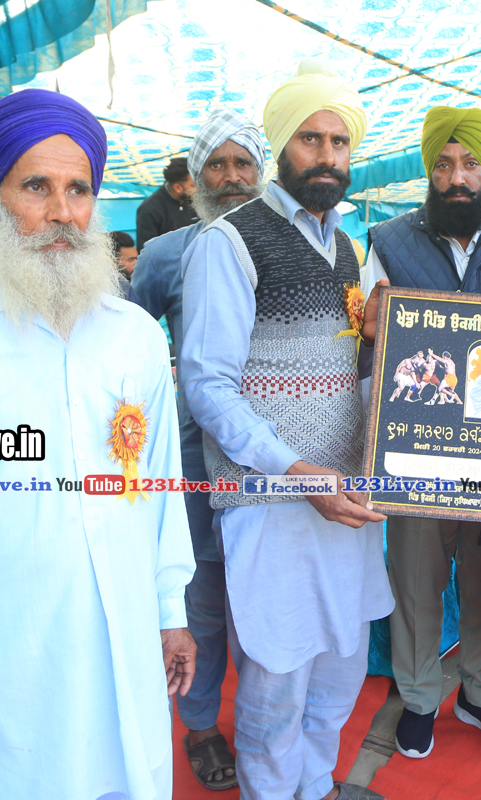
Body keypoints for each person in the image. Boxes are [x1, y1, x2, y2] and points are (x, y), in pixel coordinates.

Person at [0, 88, 196, 799]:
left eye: (78, 190)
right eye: (36, 187)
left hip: (127, 640)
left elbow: (160, 485)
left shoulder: (136, 337)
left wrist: (171, 612)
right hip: (10, 656)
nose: (61, 213)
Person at [180, 60, 391, 800]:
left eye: (339, 141)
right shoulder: (230, 241)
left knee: (339, 672)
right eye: (310, 138)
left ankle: (318, 786)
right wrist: (297, 473)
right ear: (281, 146)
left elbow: (356, 368)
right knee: (275, 684)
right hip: (272, 503)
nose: (327, 155)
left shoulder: (349, 248)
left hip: (347, 500)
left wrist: (385, 352)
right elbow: (207, 386)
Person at [361, 105, 481, 759]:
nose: (457, 178)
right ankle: (417, 696)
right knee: (415, 576)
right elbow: (364, 343)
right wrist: (372, 332)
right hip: (414, 448)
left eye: (470, 164)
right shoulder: (388, 241)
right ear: (428, 171)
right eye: (443, 165)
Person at [131, 106, 266, 791]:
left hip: (278, 465)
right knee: (203, 606)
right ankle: (202, 726)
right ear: (195, 177)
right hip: (193, 463)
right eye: (217, 164)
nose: (232, 177)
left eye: (244, 163)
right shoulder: (165, 253)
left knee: (266, 604)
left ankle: (266, 730)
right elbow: (128, 344)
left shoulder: (293, 247)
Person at [136, 156, 199, 250]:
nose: (198, 189)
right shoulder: (150, 209)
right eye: (193, 185)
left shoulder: (197, 203)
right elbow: (146, 250)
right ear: (178, 188)